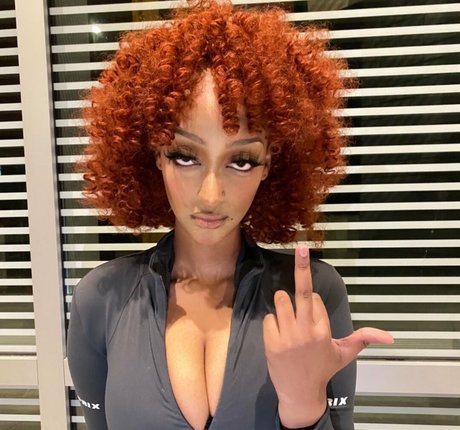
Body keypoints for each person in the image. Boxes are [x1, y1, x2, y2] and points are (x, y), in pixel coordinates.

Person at [67, 2, 393, 429]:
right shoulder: (102, 299)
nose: (211, 194)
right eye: (185, 156)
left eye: (241, 161)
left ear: (270, 165)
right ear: (156, 155)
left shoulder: (314, 298)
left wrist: (303, 405)